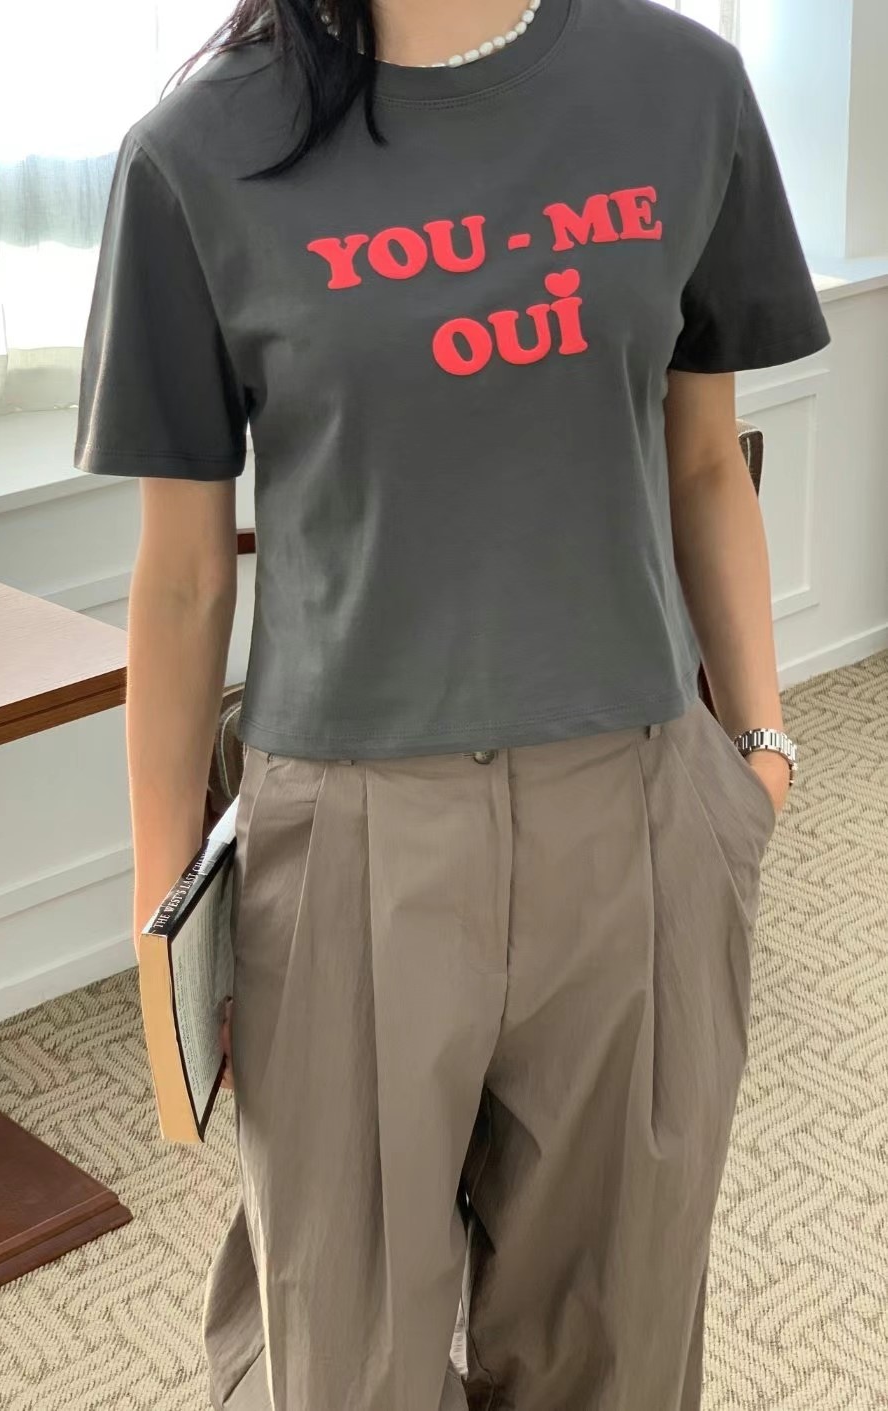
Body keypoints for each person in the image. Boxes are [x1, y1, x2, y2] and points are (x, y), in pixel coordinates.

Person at [74, 0, 829, 1405]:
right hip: (350, 828)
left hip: (637, 805)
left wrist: (760, 752)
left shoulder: (684, 89)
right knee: (344, 1348)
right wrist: (161, 928)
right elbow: (182, 579)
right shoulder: (197, 152)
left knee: (618, 1331)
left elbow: (703, 461)